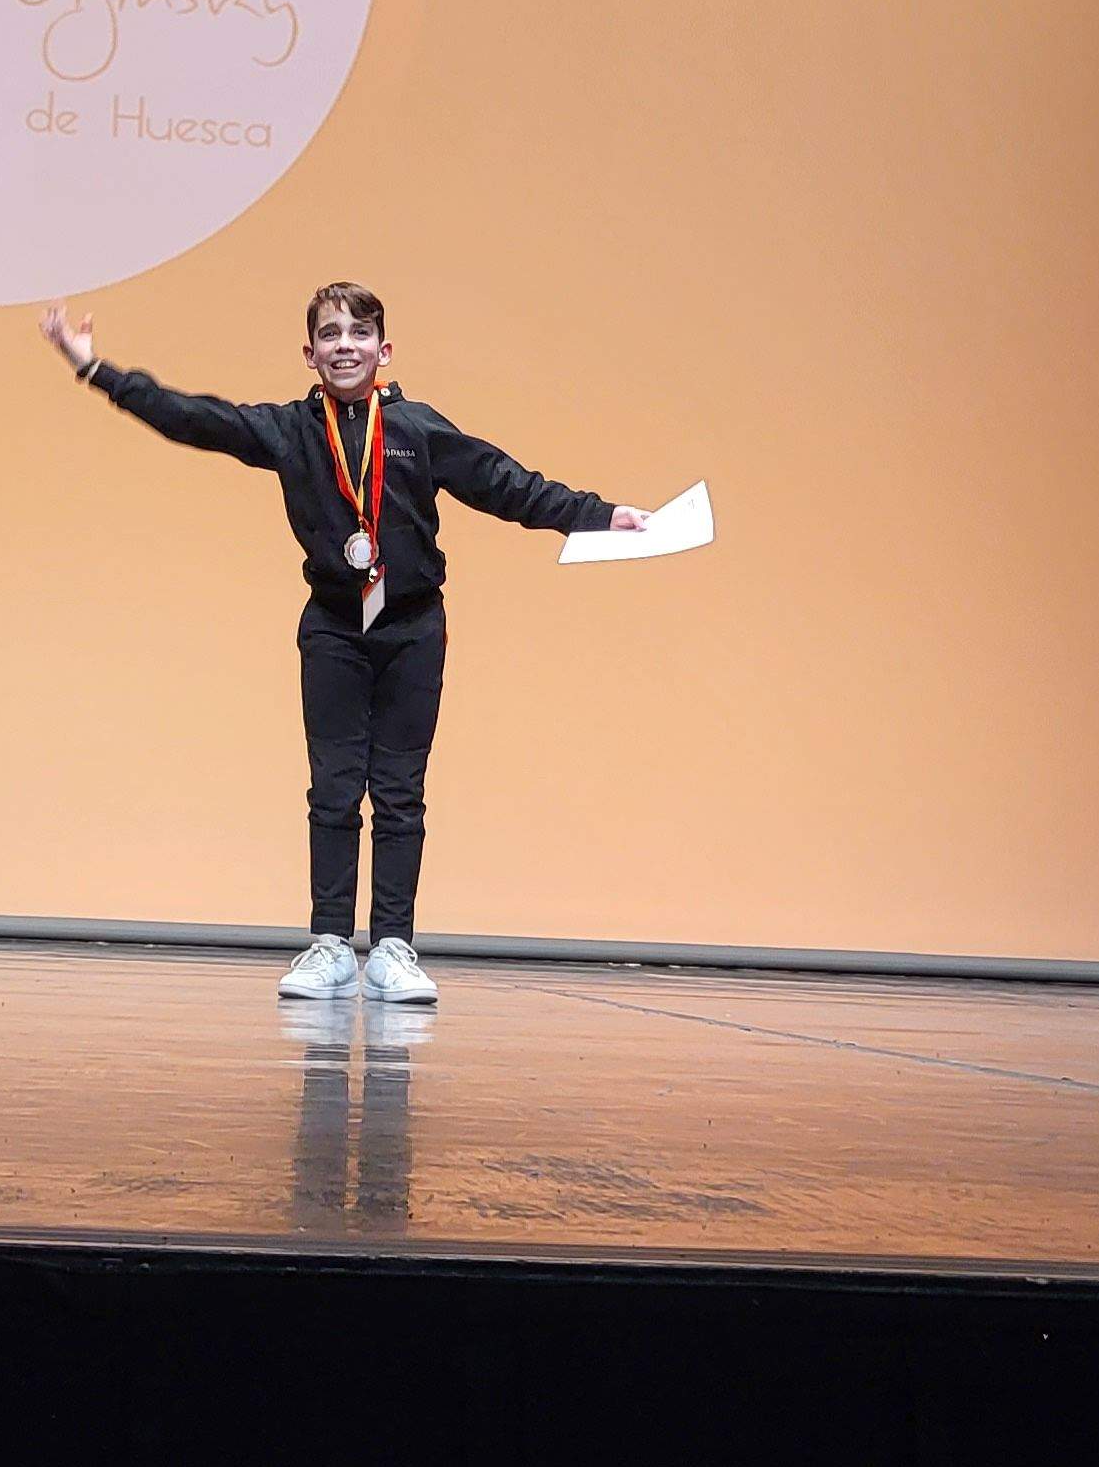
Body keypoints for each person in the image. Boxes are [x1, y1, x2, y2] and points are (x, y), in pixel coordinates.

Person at [40, 281, 648, 1005]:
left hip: (411, 628)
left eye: (359, 335)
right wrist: (95, 369)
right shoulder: (290, 431)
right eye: (330, 336)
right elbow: (193, 419)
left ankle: (394, 947)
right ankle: (329, 943)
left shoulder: (420, 431)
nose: (344, 347)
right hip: (333, 626)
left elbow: (508, 485)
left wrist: (600, 516)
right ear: (309, 354)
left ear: (384, 351)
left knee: (399, 794)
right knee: (332, 790)